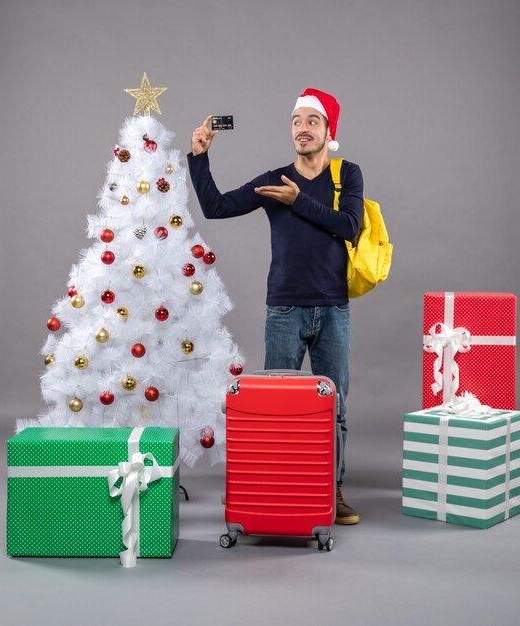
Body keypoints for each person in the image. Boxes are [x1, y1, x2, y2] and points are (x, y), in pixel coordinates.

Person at [188, 88, 364, 525]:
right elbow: (216, 207)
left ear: (328, 130)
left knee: (335, 408)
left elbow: (351, 227)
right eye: (296, 121)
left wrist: (297, 201)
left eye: (312, 121)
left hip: (333, 309)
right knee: (278, 408)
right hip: (284, 309)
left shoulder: (347, 175)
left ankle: (332, 490)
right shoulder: (275, 179)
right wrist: (199, 158)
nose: (302, 129)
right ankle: (276, 489)